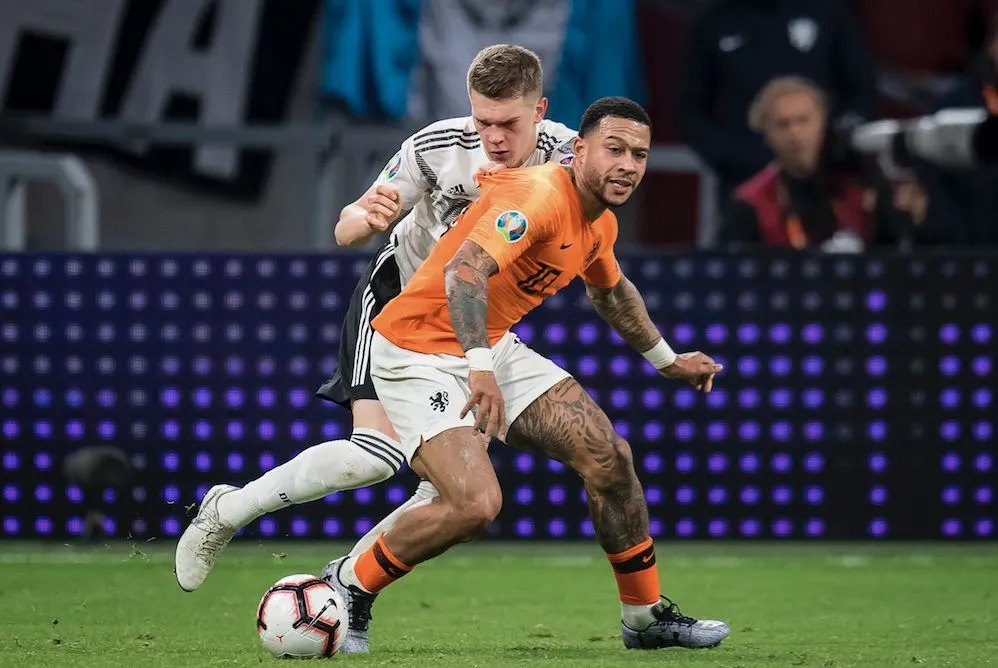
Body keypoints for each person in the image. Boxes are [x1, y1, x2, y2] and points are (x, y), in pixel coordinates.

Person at [174, 44, 577, 648]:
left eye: (508, 123)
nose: (493, 137)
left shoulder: (568, 155)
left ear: (539, 111)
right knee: (375, 457)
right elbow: (348, 226)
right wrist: (364, 220)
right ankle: (228, 511)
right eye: (482, 121)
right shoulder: (436, 146)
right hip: (397, 308)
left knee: (454, 494)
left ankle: (344, 585)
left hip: (473, 329)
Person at [323, 96, 731, 650]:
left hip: (488, 346)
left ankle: (645, 617)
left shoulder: (598, 223)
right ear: (579, 149)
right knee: (473, 505)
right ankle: (351, 582)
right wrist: (479, 370)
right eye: (614, 150)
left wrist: (668, 360)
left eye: (638, 155)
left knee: (609, 458)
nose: (627, 165)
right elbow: (465, 272)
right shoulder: (541, 196)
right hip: (416, 351)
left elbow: (611, 293)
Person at [721, 76, 945, 249]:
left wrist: (916, 219)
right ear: (766, 133)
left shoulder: (865, 180)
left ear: (822, 122)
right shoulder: (751, 202)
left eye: (803, 120)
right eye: (783, 124)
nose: (795, 133)